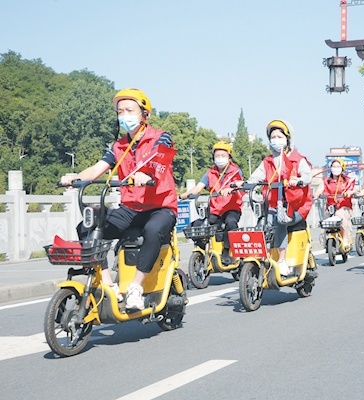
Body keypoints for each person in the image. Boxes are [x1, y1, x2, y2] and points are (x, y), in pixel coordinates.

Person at [60, 88, 178, 310]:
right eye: (120, 111)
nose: (124, 115)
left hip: (160, 207)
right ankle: (109, 284)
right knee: (87, 227)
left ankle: (136, 287)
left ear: (145, 114)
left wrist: (147, 175)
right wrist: (75, 178)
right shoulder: (118, 146)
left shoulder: (161, 137)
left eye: (129, 110)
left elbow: (160, 157)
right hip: (131, 207)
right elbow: (97, 169)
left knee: (153, 230)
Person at [243, 120, 313, 276]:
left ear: (287, 139)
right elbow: (255, 177)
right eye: (273, 137)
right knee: (263, 224)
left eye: (279, 137)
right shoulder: (267, 161)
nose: (276, 140)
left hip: (296, 208)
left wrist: (298, 180)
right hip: (273, 206)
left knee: (280, 220)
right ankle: (265, 256)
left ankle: (282, 260)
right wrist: (243, 184)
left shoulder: (298, 159)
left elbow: (308, 175)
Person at [180, 142, 243, 265]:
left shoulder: (236, 171)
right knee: (198, 225)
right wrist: (185, 195)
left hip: (231, 208)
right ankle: (204, 248)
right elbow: (198, 187)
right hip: (215, 209)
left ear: (229, 157)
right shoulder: (209, 173)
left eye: (223, 155)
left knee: (230, 222)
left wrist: (230, 189)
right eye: (217, 155)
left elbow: (240, 184)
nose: (220, 158)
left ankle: (226, 251)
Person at [315, 158, 357, 253]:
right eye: (333, 166)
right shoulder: (326, 181)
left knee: (340, 215)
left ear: (342, 168)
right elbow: (320, 189)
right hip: (330, 207)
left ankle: (345, 239)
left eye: (338, 166)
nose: (335, 168)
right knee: (326, 222)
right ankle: (326, 242)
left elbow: (354, 189)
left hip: (344, 207)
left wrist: (350, 192)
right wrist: (317, 194)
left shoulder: (347, 180)